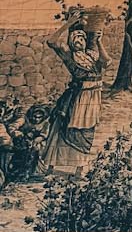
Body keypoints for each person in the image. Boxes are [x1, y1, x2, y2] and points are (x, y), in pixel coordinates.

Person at [42, 25, 106, 172]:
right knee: (65, 128)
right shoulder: (68, 55)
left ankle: (78, 169)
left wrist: (99, 42)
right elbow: (51, 41)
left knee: (86, 132)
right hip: (77, 97)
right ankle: (51, 167)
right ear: (70, 42)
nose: (79, 41)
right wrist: (69, 22)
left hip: (93, 99)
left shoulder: (91, 55)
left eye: (82, 38)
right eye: (75, 38)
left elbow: (106, 62)